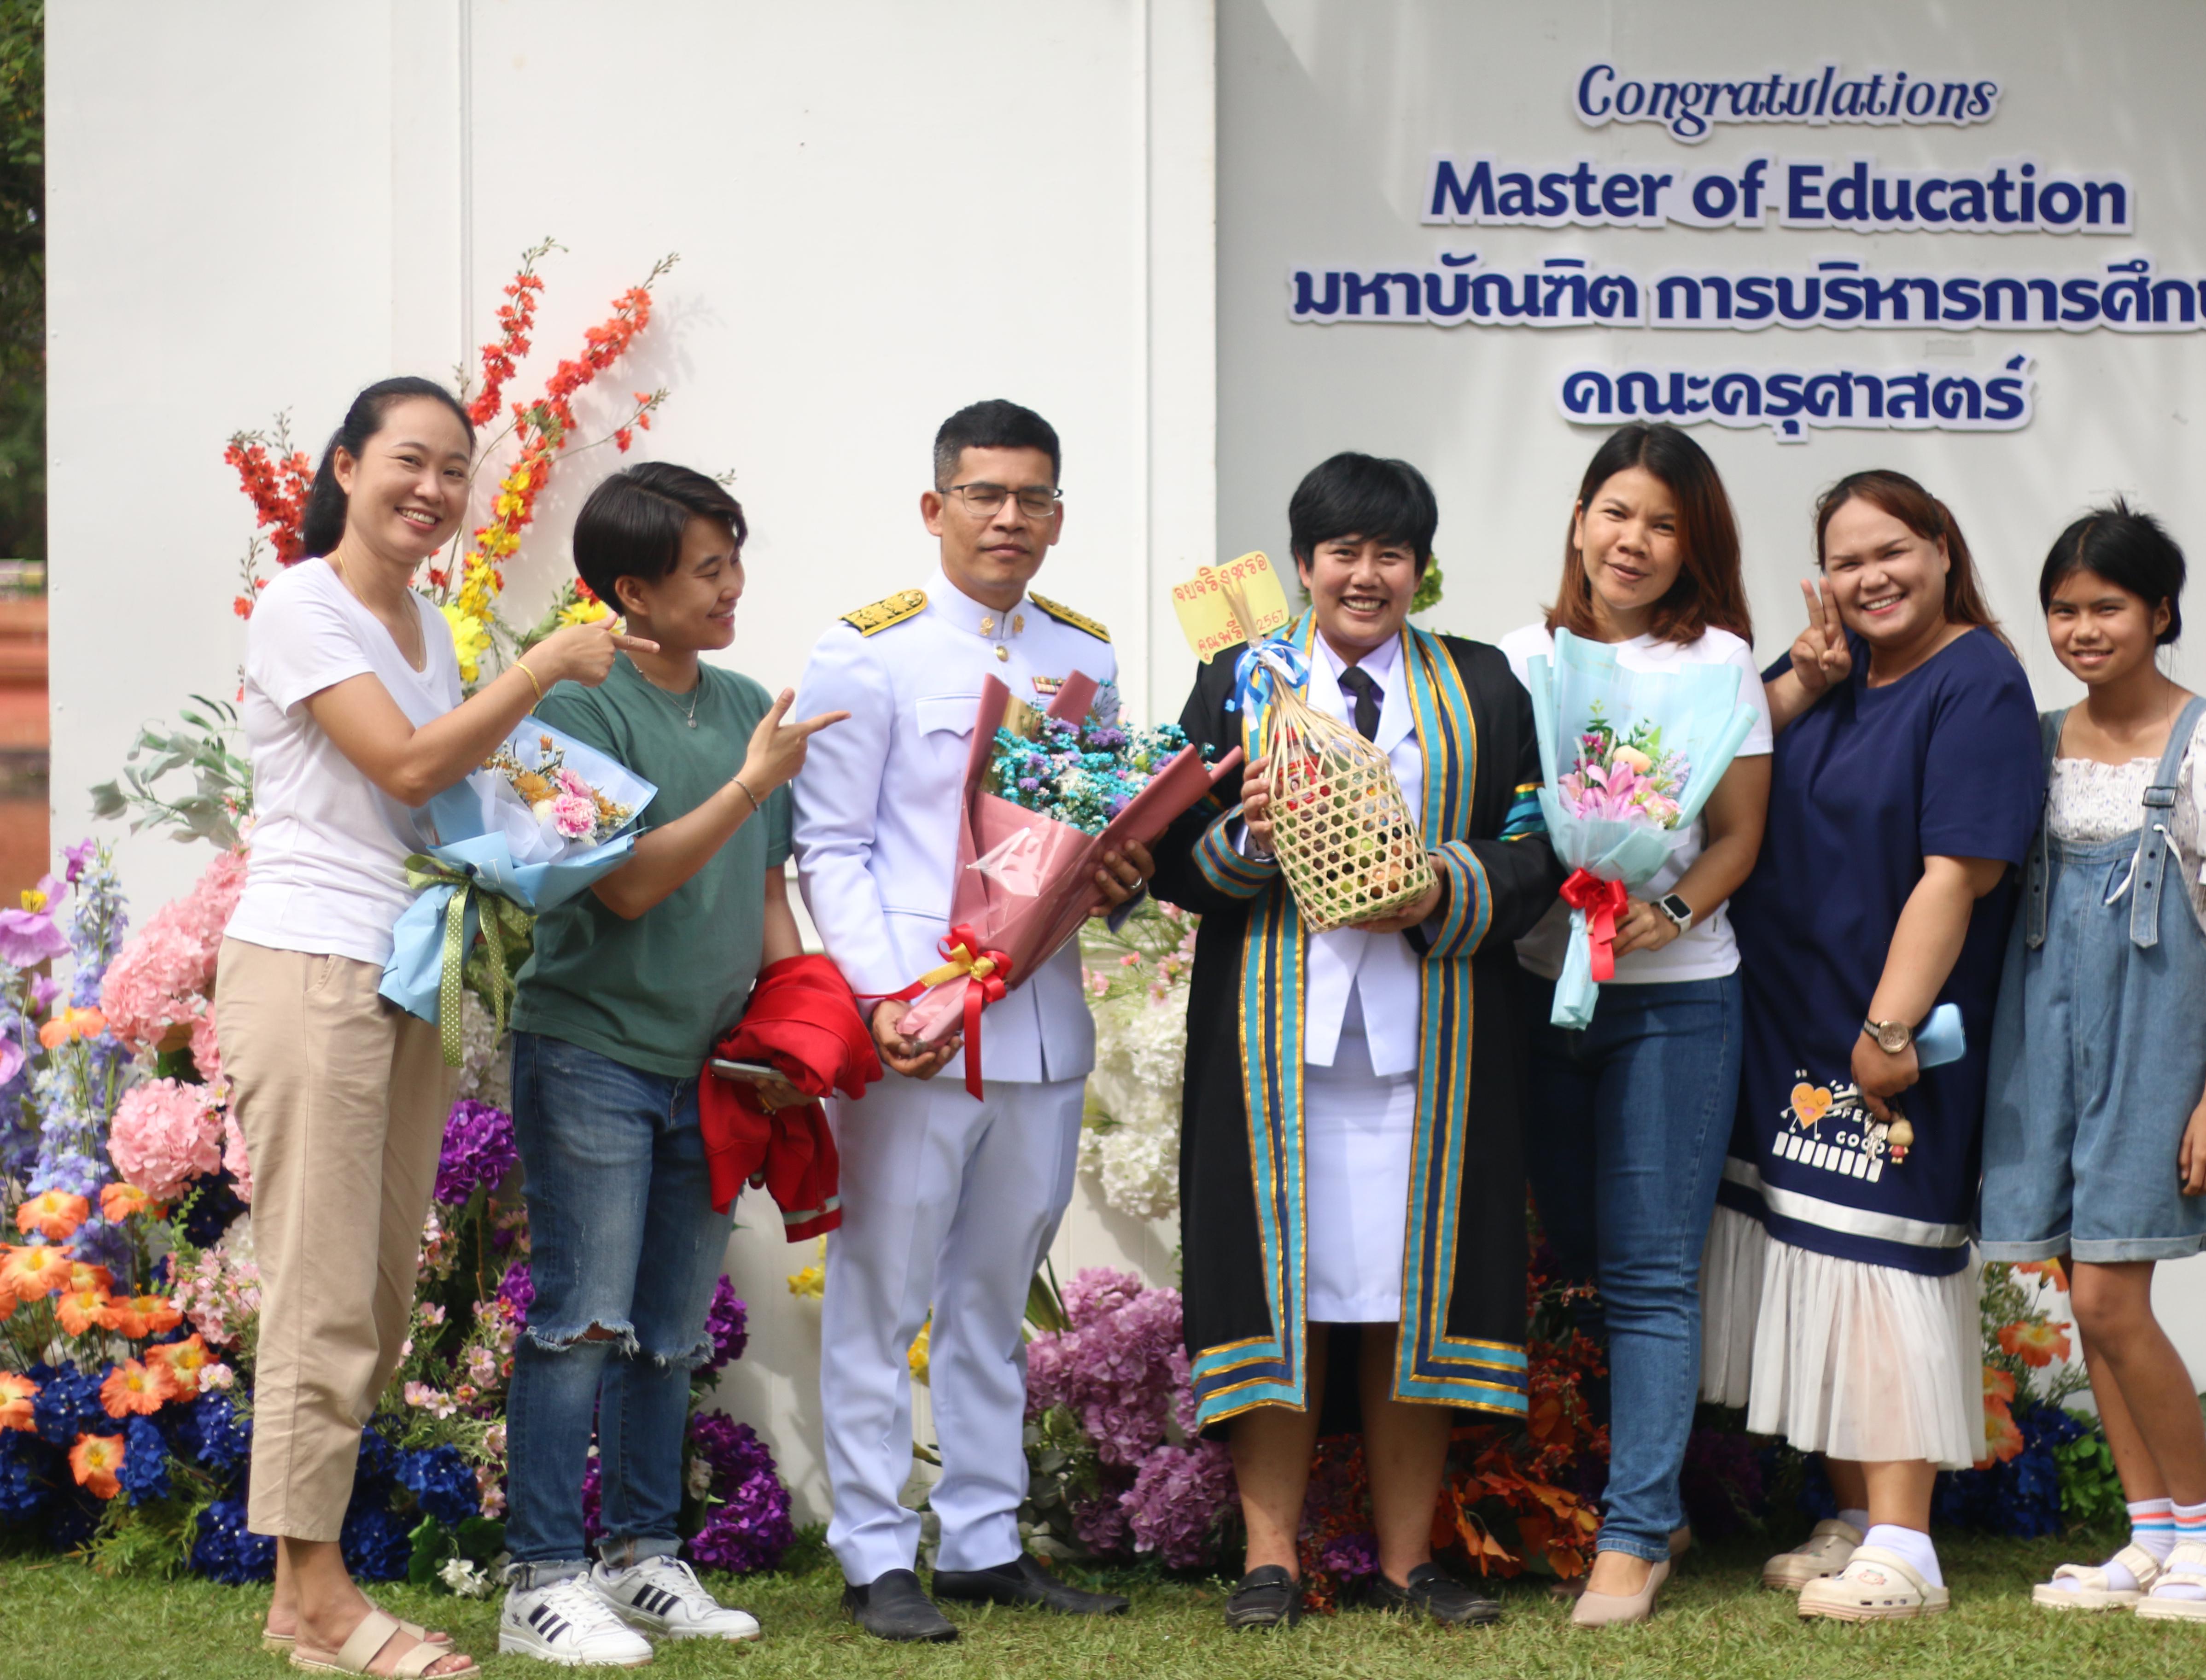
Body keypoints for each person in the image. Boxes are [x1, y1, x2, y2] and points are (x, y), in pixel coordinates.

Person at [217, 377, 641, 1678]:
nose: (436, 490)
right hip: (309, 967)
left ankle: (309, 1595)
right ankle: (318, 1599)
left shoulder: (426, 629)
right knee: (323, 1288)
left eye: (456, 469)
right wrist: (540, 669)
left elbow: (442, 803)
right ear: (345, 467)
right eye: (411, 460)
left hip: (399, 972)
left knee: (379, 1293)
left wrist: (562, 824)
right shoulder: (303, 605)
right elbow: (404, 765)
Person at [1150, 452, 1564, 1631]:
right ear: (1302, 566)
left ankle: (1404, 1560)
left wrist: (1445, 887)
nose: (1365, 574)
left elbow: (1538, 850)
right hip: (1275, 1045)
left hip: (1431, 1048)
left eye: (1391, 553)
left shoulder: (1481, 688)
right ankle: (1269, 1562)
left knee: (1402, 1296)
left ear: (1421, 571)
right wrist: (1250, 841)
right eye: (1343, 552)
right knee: (1284, 1291)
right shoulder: (1238, 679)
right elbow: (1174, 851)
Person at [792, 400, 1144, 1642]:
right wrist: (889, 998)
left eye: (1034, 498)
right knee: (882, 1293)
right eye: (986, 494)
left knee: (996, 1293)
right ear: (934, 507)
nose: (1010, 518)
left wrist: (1119, 871)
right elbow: (827, 845)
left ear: (1058, 515)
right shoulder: (869, 650)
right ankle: (877, 1548)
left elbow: (1085, 831)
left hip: (1041, 1026)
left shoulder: (1084, 655)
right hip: (919, 1032)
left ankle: (987, 1537)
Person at [495, 465, 846, 1663]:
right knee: (580, 1321)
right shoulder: (570, 711)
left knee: (669, 1331)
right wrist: (752, 781)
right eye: (708, 569)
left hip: (714, 1072)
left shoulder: (747, 698)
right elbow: (634, 881)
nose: (732, 587)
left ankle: (646, 1557)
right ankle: (542, 1574)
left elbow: (765, 896)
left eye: (735, 560)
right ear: (630, 588)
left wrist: (796, 1034)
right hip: (587, 1054)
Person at [1702, 469, 2043, 1622]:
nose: (1873, 578)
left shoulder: (1977, 684)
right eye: (1848, 562)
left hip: (1890, 1041)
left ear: (1943, 549)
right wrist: (1804, 673)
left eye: (1892, 551)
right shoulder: (1839, 676)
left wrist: (1889, 1030)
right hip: (1788, 1026)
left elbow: (1961, 874)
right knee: (1821, 1266)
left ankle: (1907, 1547)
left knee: (1889, 1265)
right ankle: (1852, 1514)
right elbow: (1710, 764)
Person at [1494, 424, 1772, 1627]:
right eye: (1617, 512)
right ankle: (1598, 1487)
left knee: (1656, 1271)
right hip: (1534, 993)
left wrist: (1666, 908)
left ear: (1692, 547)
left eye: (1663, 524)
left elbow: (1739, 837)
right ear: (1578, 519)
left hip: (1677, 1001)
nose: (1634, 541)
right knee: (1575, 1258)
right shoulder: (1517, 658)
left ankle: (1637, 1533)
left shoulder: (1721, 665)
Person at [1982, 500, 2206, 1622]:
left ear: (2161, 611)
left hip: (2160, 1046)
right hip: (2047, 1042)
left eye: (2107, 606)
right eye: (2063, 608)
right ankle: (2153, 1537)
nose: (2083, 628)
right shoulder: (2041, 737)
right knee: (2080, 1285)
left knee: (2111, 1298)